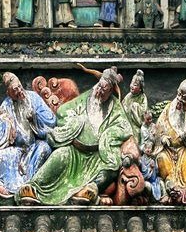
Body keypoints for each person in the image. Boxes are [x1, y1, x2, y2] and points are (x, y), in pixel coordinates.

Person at [17, 67, 133, 205]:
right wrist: (76, 120)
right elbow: (63, 111)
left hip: (99, 154)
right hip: (75, 151)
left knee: (111, 166)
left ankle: (90, 189)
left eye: (104, 90)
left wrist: (108, 134)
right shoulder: (85, 99)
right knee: (59, 155)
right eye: (99, 86)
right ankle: (34, 187)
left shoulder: (115, 106)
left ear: (110, 91)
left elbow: (125, 127)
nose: (99, 91)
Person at [0, 72, 57, 198]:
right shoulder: (6, 105)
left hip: (34, 146)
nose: (20, 91)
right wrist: (6, 123)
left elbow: (51, 120)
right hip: (17, 148)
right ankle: (4, 186)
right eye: (15, 90)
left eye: (20, 86)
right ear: (9, 93)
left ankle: (31, 186)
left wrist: (35, 118)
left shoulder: (33, 98)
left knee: (44, 149)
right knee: (0, 156)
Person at [153, 78, 186, 200]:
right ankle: (169, 184)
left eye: (185, 98)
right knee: (162, 159)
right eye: (179, 95)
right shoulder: (168, 109)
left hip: (185, 150)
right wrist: (162, 138)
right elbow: (157, 129)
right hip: (167, 149)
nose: (180, 100)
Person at [121, 69, 148, 139]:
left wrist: (134, 107)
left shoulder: (143, 97)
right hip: (127, 122)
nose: (132, 86)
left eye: (135, 85)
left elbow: (144, 110)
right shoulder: (128, 96)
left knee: (137, 134)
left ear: (140, 89)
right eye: (131, 83)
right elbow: (122, 107)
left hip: (137, 122)